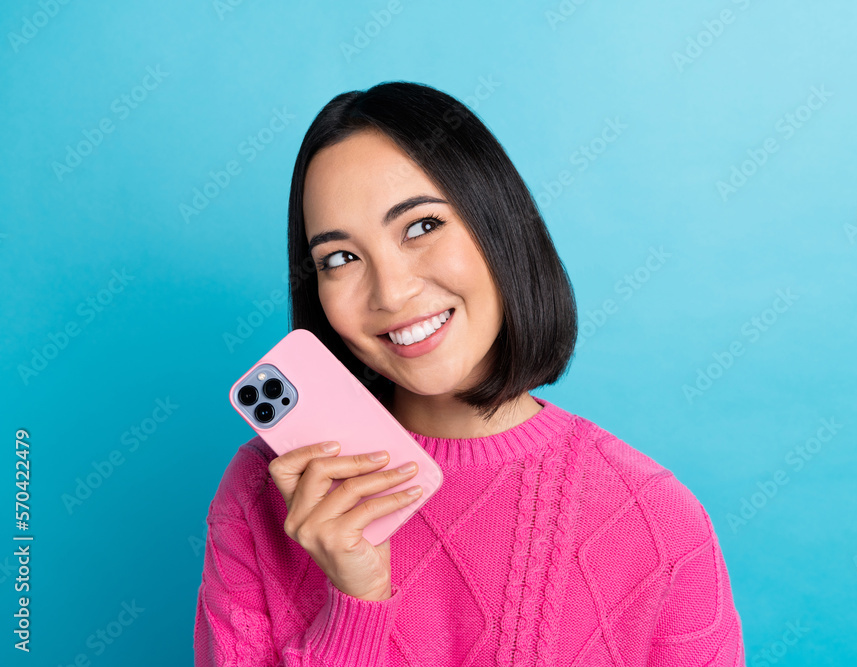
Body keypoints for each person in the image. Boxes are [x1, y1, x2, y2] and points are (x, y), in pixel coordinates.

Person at [193, 81, 745, 666]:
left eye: (422, 226)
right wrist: (356, 606)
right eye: (341, 258)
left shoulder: (659, 525)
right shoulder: (260, 494)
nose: (392, 291)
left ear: (499, 228)